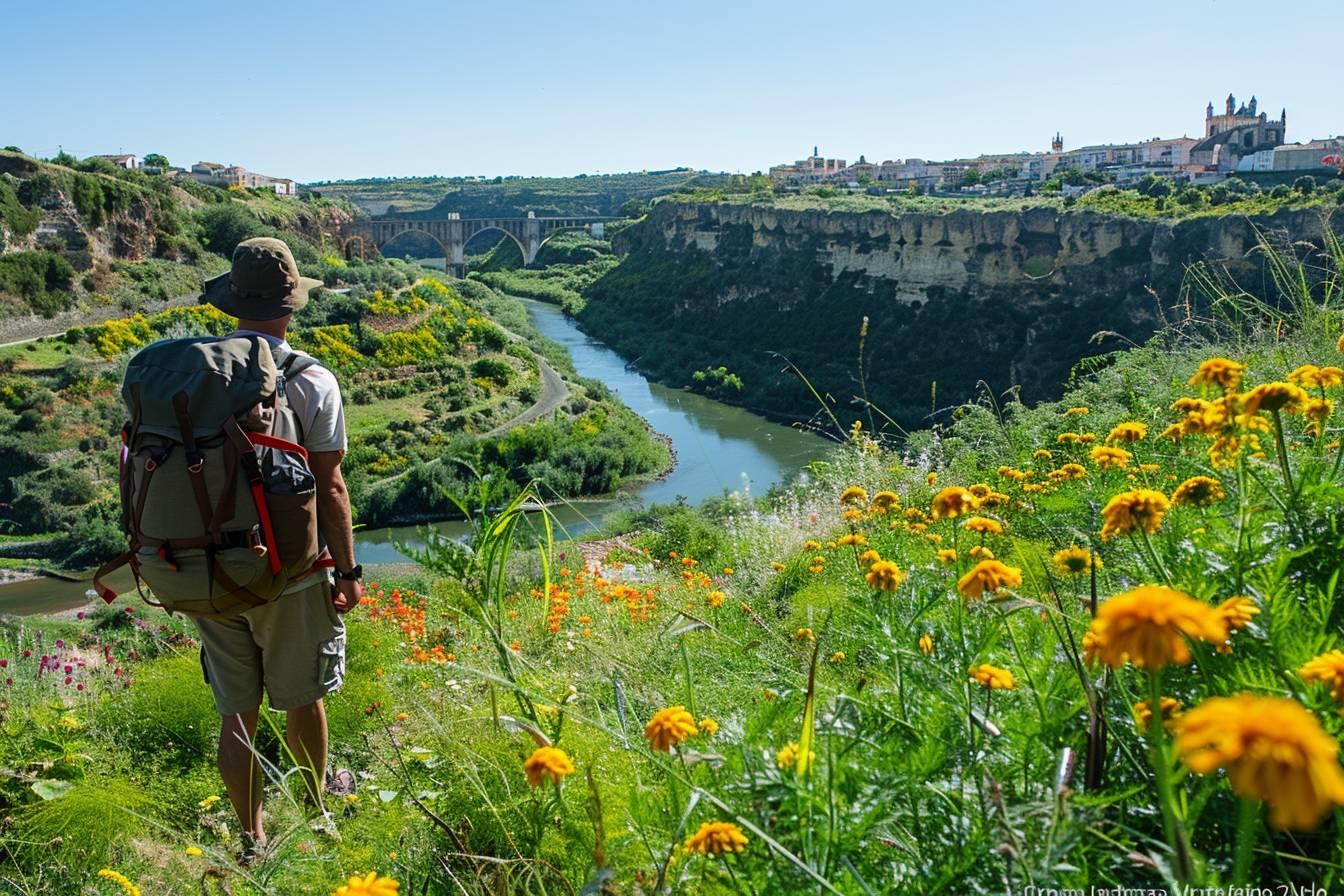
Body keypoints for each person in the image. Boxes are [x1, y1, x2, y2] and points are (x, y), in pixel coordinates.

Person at [195, 237, 364, 859]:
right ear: (292, 305)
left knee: (235, 714)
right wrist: (347, 570)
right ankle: (318, 816)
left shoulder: (196, 374)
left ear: (231, 304)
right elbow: (331, 484)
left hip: (208, 569)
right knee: (303, 699)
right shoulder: (312, 379)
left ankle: (251, 839)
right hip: (289, 572)